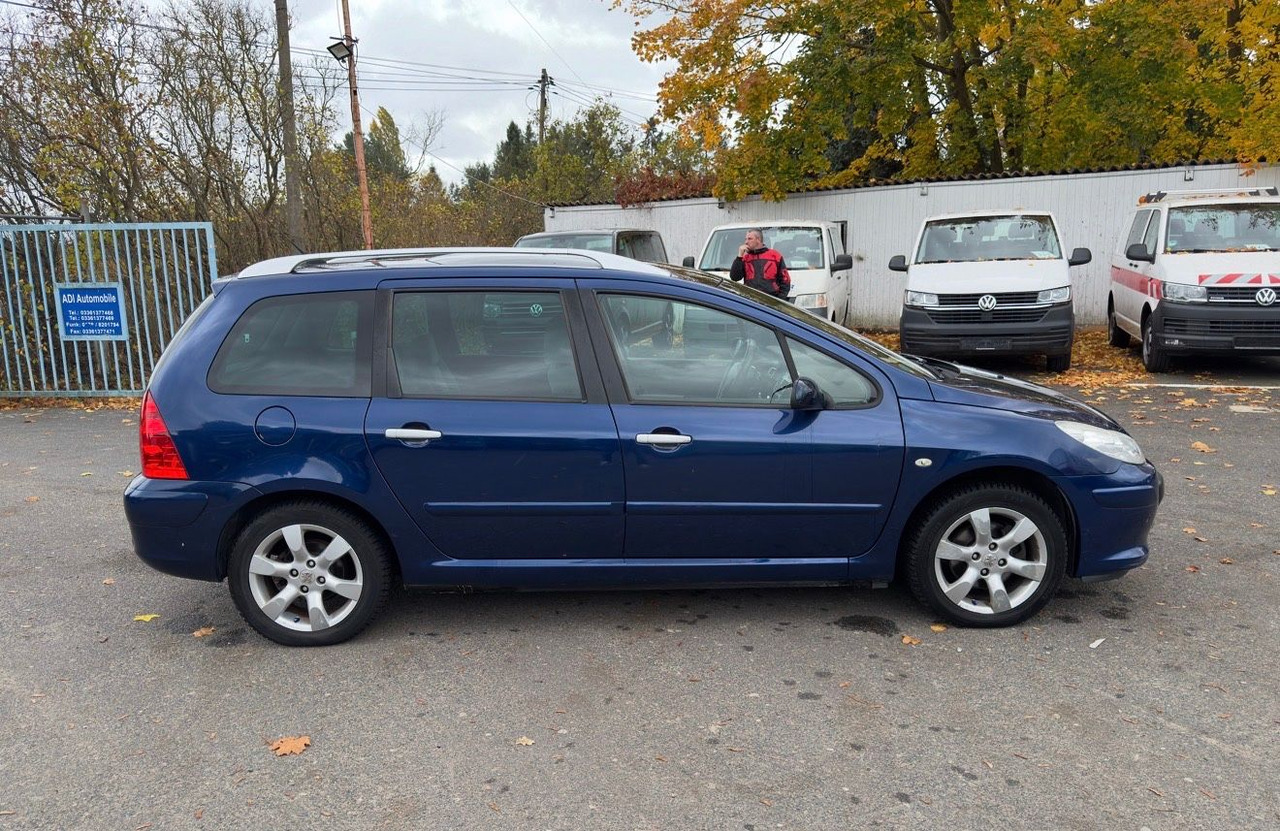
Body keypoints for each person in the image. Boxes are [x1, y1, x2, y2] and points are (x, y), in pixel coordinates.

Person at [730, 229, 791, 299]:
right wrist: (739, 256)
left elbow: (785, 280)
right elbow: (734, 277)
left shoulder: (775, 255)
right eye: (746, 239)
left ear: (758, 239)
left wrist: (779, 300)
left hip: (771, 300)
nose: (746, 242)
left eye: (749, 239)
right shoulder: (745, 258)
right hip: (751, 300)